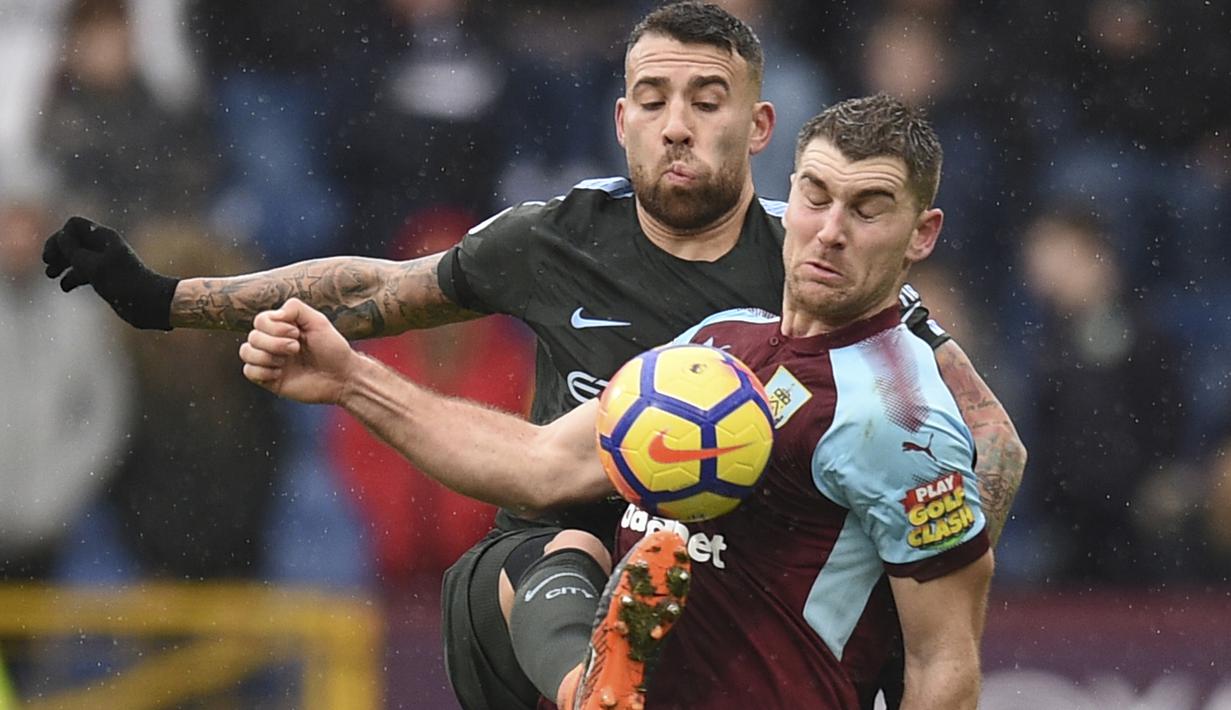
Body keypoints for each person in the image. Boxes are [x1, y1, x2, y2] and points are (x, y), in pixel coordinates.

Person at [42, 4, 1024, 708]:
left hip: (733, 611)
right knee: (561, 537)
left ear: (758, 126)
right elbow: (375, 290)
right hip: (564, 554)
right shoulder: (588, 260)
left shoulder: (826, 276)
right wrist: (166, 298)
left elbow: (987, 442)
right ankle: (586, 683)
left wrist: (923, 555)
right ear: (621, 119)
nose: (678, 121)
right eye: (654, 96)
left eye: (708, 98)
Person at [239, 94, 998, 709]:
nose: (829, 232)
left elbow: (943, 666)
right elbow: (539, 465)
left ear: (919, 234)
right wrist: (352, 380)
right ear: (788, 193)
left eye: (867, 209)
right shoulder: (717, 343)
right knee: (559, 546)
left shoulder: (903, 422)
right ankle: (587, 688)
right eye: (816, 195)